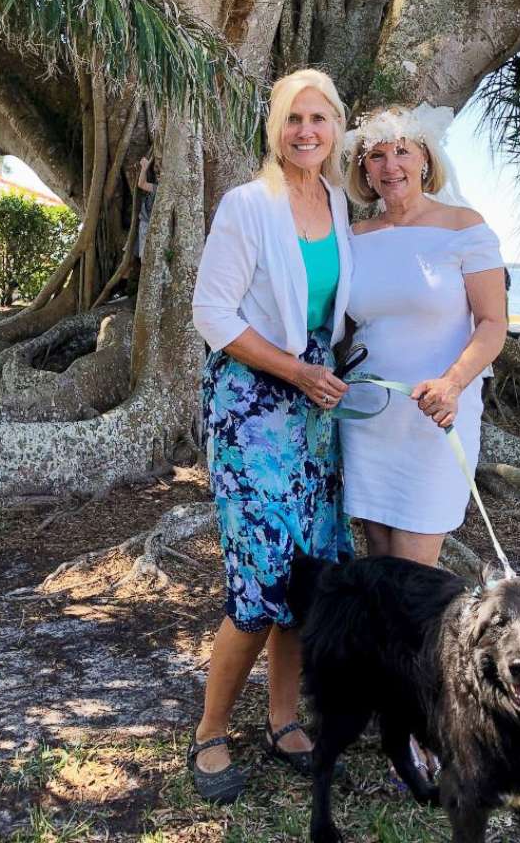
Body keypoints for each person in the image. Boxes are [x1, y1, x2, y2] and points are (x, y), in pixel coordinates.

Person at [189, 69, 353, 804]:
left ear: (336, 127)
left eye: (319, 118)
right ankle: (209, 731)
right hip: (253, 411)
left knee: (309, 575)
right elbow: (213, 314)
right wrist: (293, 369)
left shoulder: (340, 203)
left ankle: (284, 719)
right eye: (294, 118)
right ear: (275, 127)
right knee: (257, 583)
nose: (306, 130)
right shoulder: (248, 205)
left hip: (316, 415)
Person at [340, 104, 509, 570]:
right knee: (379, 562)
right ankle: (382, 647)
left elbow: (493, 324)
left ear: (425, 160)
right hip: (369, 416)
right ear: (364, 171)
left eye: (402, 151)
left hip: (437, 416)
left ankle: (417, 646)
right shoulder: (354, 236)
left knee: (414, 570)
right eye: (376, 156)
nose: (390, 165)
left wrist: (453, 383)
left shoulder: (465, 227)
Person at [136, 154, 157, 258]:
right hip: (146, 223)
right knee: (145, 257)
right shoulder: (158, 188)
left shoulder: (160, 188)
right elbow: (141, 184)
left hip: (156, 225)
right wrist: (144, 168)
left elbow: (142, 184)